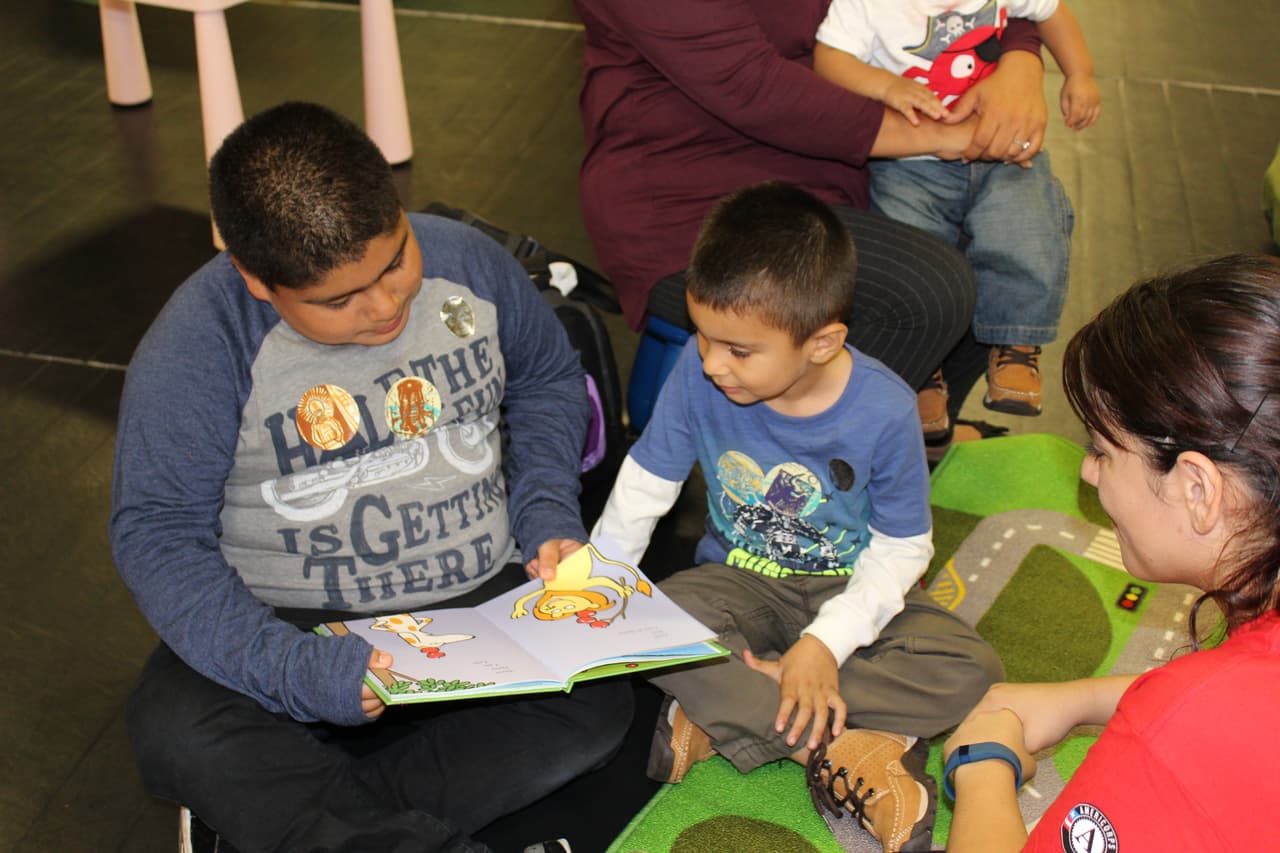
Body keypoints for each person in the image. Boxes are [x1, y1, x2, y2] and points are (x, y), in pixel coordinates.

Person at [110, 101, 632, 853]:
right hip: (293, 623)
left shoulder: (468, 261)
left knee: (597, 699)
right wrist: (292, 670)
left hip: (478, 599)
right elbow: (157, 534)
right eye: (338, 300)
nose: (387, 306)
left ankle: (308, 824)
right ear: (256, 279)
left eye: (394, 261)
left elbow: (548, 376)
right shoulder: (198, 342)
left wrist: (546, 508)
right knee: (174, 726)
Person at [590, 182, 1004, 853]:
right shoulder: (698, 373)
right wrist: (598, 579)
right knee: (640, 625)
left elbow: (902, 548)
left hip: (851, 588)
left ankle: (733, 707)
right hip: (736, 581)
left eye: (738, 350)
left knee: (972, 668)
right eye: (703, 336)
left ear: (822, 342)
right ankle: (840, 746)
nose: (710, 363)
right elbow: (647, 481)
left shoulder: (885, 407)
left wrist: (824, 646)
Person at [575, 0, 1054, 446]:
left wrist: (1019, 61)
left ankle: (916, 434)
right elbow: (751, 87)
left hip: (842, 165)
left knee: (1005, 240)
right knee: (925, 289)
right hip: (692, 187)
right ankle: (807, 468)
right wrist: (954, 137)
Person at [940, 253, 1280, 852]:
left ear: (1198, 490)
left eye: (1102, 451)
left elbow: (1218, 721)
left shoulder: (1181, 727)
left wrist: (982, 766)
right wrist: (1085, 698)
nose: (1088, 473)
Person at [814, 0, 1100, 418]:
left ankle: (1017, 344)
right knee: (911, 249)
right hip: (910, 161)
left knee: (1029, 227)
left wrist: (1080, 74)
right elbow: (830, 56)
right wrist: (886, 86)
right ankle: (923, 373)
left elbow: (1052, 12)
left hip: (1002, 149)